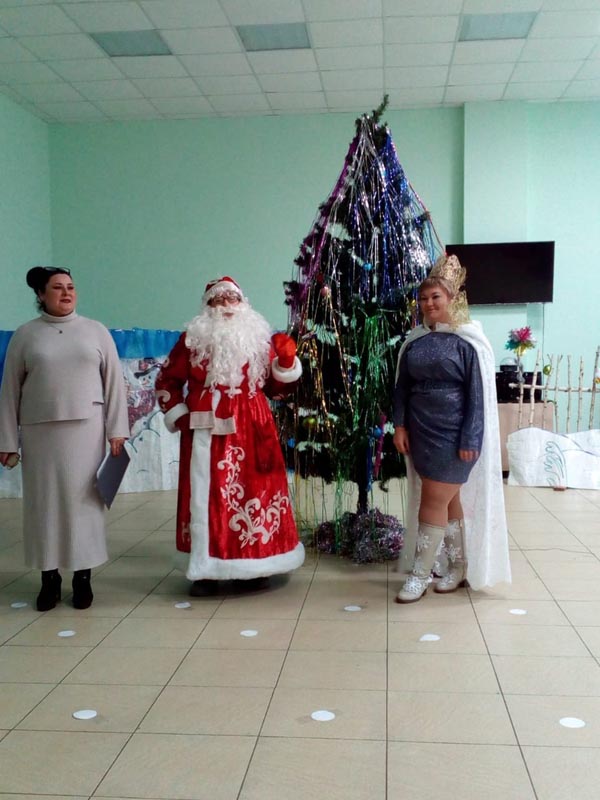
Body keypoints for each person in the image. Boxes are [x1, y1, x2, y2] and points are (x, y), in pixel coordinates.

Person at [155, 276, 305, 596]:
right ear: (207, 306)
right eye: (218, 299)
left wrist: (286, 364)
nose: (226, 305)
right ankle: (205, 570)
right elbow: (167, 380)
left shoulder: (259, 339)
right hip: (205, 429)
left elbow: (276, 391)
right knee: (207, 497)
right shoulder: (191, 340)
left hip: (253, 428)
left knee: (254, 492)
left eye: (232, 298)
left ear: (243, 303)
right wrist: (180, 416)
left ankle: (254, 565)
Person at [0, 267, 129, 611]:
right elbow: (9, 390)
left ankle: (82, 578)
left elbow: (114, 383)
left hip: (87, 431)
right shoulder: (26, 335)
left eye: (71, 287)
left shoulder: (96, 331)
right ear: (41, 295)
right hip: (40, 433)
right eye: (57, 287)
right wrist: (7, 442)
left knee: (84, 505)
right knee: (44, 505)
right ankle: (49, 579)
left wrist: (117, 430)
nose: (67, 292)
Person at [393, 254, 511, 602]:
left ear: (451, 299)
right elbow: (401, 387)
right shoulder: (414, 341)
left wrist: (471, 437)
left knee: (433, 500)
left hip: (455, 434)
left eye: (436, 297)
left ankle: (420, 575)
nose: (429, 304)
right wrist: (400, 425)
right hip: (421, 431)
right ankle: (458, 567)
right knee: (449, 500)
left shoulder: (468, 341)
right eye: (423, 298)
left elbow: (477, 395)